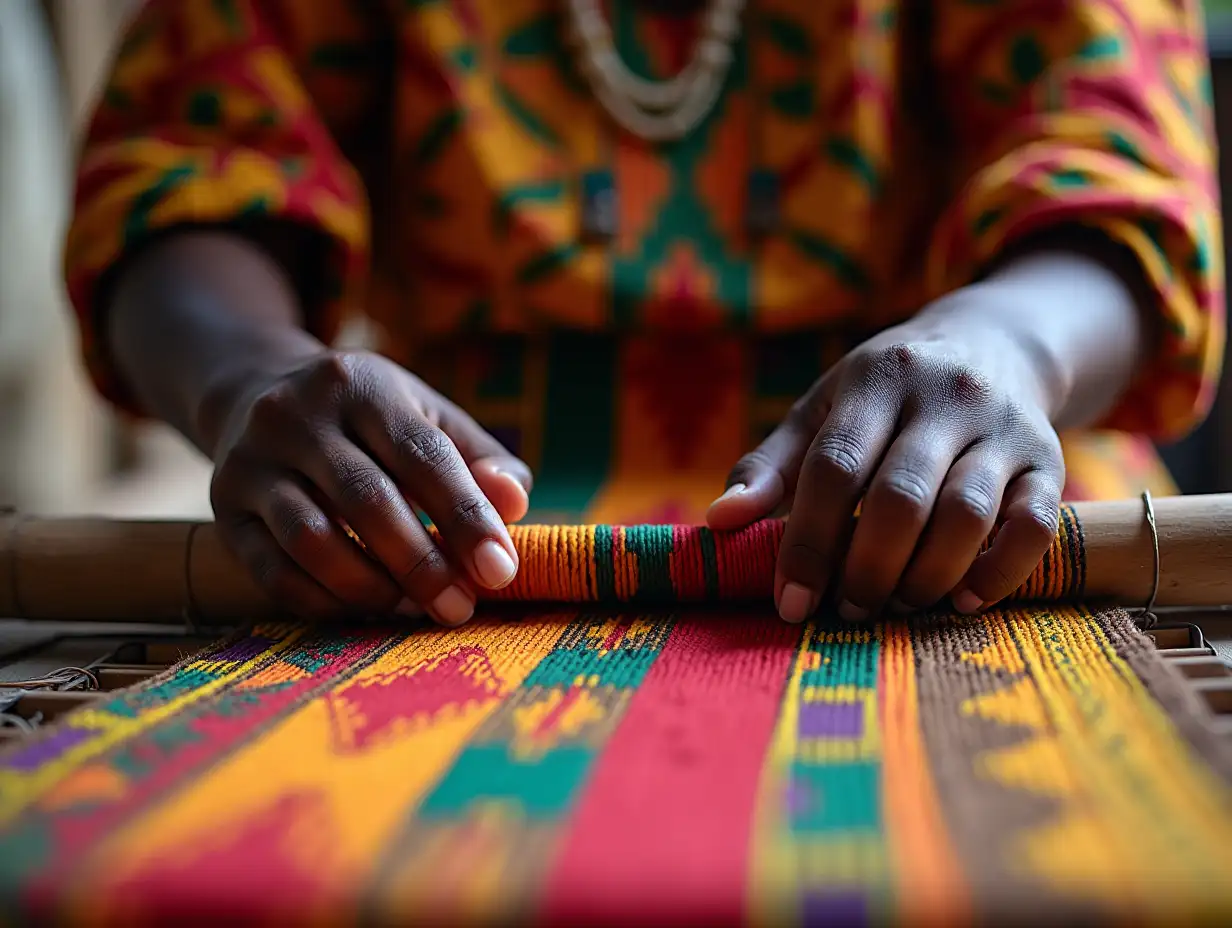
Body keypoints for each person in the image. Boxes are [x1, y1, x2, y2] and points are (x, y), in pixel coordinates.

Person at [65, 0, 1223, 627]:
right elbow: (191, 156)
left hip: (956, 521)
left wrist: (1004, 346)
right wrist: (254, 376)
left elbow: (1107, 158)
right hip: (438, 538)